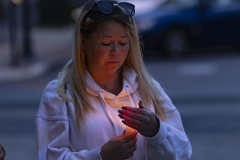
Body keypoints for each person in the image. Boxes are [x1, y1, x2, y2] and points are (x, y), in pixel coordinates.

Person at [36, 0, 192, 159]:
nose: (116, 51)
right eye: (106, 43)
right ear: (83, 42)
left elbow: (183, 153)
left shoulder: (147, 89)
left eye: (123, 42)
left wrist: (156, 131)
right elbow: (51, 156)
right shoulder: (62, 95)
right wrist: (100, 155)